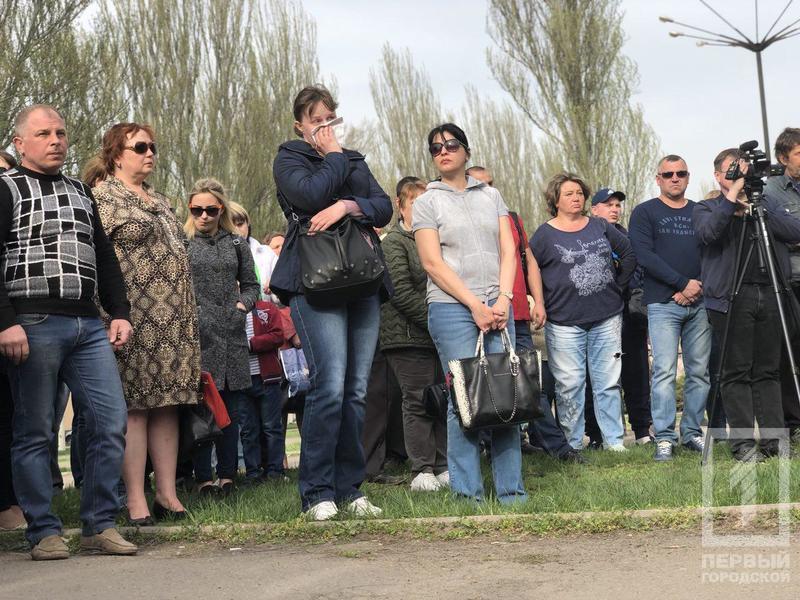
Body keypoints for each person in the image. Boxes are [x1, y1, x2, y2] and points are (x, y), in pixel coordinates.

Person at [0, 105, 136, 559]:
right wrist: (5, 322)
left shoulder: (80, 190)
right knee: (35, 431)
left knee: (110, 421)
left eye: (60, 132)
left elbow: (104, 254)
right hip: (31, 321)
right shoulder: (6, 188)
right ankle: (43, 531)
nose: (56, 140)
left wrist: (119, 312)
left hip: (88, 323)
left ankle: (99, 524)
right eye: (44, 133)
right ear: (20, 143)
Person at [271, 85, 392, 520]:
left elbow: (383, 208)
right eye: (315, 119)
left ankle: (350, 489)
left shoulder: (354, 158)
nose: (324, 126)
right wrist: (334, 158)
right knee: (330, 386)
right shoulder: (289, 158)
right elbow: (308, 196)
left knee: (356, 390)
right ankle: (317, 493)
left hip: (362, 282)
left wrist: (346, 206)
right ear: (299, 125)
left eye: (329, 118)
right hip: (314, 282)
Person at [93, 122, 201, 524]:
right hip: (132, 318)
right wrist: (107, 315)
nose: (150, 153)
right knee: (135, 407)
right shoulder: (103, 198)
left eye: (153, 146)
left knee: (167, 405)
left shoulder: (160, 199)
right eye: (140, 147)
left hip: (174, 321)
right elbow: (97, 260)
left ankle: (167, 495)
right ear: (116, 155)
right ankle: (136, 499)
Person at [414, 123, 528, 504]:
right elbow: (432, 263)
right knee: (463, 397)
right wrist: (474, 305)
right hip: (452, 308)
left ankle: (512, 493)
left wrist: (503, 300)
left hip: (498, 305)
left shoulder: (491, 195)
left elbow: (509, 251)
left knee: (506, 394)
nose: (443, 152)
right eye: (435, 148)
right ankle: (468, 496)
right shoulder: (427, 202)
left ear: (466, 151)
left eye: (450, 145)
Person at [696, 149, 800, 461]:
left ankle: (774, 442)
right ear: (718, 176)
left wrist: (758, 209)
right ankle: (742, 443)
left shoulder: (764, 204)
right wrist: (731, 202)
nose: (740, 174)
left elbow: (794, 230)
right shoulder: (707, 207)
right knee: (736, 372)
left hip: (770, 292)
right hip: (730, 298)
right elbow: (708, 233)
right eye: (733, 169)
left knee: (768, 371)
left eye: (743, 169)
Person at [530, 173, 635, 452]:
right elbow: (531, 269)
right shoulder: (544, 235)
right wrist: (539, 302)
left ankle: (614, 442)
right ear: (555, 200)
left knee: (608, 383)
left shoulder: (599, 226)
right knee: (569, 385)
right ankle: (572, 444)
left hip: (607, 316)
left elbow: (628, 254)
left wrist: (618, 287)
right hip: (563, 321)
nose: (576, 198)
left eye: (579, 193)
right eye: (569, 194)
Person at [629, 155, 711, 462]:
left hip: (699, 302)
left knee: (699, 372)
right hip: (663, 304)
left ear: (688, 177)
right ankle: (664, 437)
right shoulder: (645, 212)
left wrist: (695, 286)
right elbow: (644, 255)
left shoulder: (700, 211)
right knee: (663, 372)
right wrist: (681, 284)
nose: (674, 178)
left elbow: (713, 253)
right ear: (658, 179)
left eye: (680, 173)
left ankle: (691, 433)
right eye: (668, 174)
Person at [184, 178, 261, 495]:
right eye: (197, 209)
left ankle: (228, 475)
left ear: (221, 210)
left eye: (210, 210)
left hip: (231, 335)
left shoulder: (237, 244)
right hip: (198, 337)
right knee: (202, 408)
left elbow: (252, 285)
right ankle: (203, 478)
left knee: (229, 410)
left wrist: (242, 306)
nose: (203, 215)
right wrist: (193, 314)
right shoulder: (183, 243)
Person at [466, 165, 549, 456]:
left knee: (526, 382)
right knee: (483, 382)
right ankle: (485, 444)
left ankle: (543, 443)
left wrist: (538, 300)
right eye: (481, 184)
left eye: (491, 183)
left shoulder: (510, 217)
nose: (488, 188)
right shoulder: (463, 218)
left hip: (516, 313)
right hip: (479, 312)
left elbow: (529, 261)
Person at [381, 176, 448, 491]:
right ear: (401, 205)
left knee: (443, 400)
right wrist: (438, 320)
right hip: (406, 336)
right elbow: (400, 292)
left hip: (436, 336)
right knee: (418, 400)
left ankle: (444, 465)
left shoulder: (436, 239)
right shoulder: (394, 242)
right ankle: (422, 469)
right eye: (415, 203)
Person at [587, 188, 653, 445]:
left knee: (636, 372)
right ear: (594, 210)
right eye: (608, 204)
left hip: (629, 314)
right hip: (598, 314)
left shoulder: (628, 237)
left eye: (617, 205)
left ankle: (642, 430)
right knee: (598, 376)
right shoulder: (587, 236)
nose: (614, 209)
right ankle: (596, 434)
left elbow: (640, 270)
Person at [765, 128, 800, 442]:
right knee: (791, 354)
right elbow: (776, 233)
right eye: (799, 153)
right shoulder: (771, 191)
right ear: (782, 157)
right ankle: (793, 421)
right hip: (790, 283)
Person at [239, 297, 288, 483]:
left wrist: (251, 344)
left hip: (267, 379)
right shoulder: (231, 311)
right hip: (242, 381)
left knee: (271, 427)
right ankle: (253, 472)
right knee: (248, 429)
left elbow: (278, 336)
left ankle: (275, 471)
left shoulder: (267, 308)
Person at [229, 201, 278, 298]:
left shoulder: (267, 253)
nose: (236, 230)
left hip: (264, 307)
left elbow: (281, 300)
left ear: (248, 223)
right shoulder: (214, 255)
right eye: (230, 226)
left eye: (240, 224)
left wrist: (276, 287)